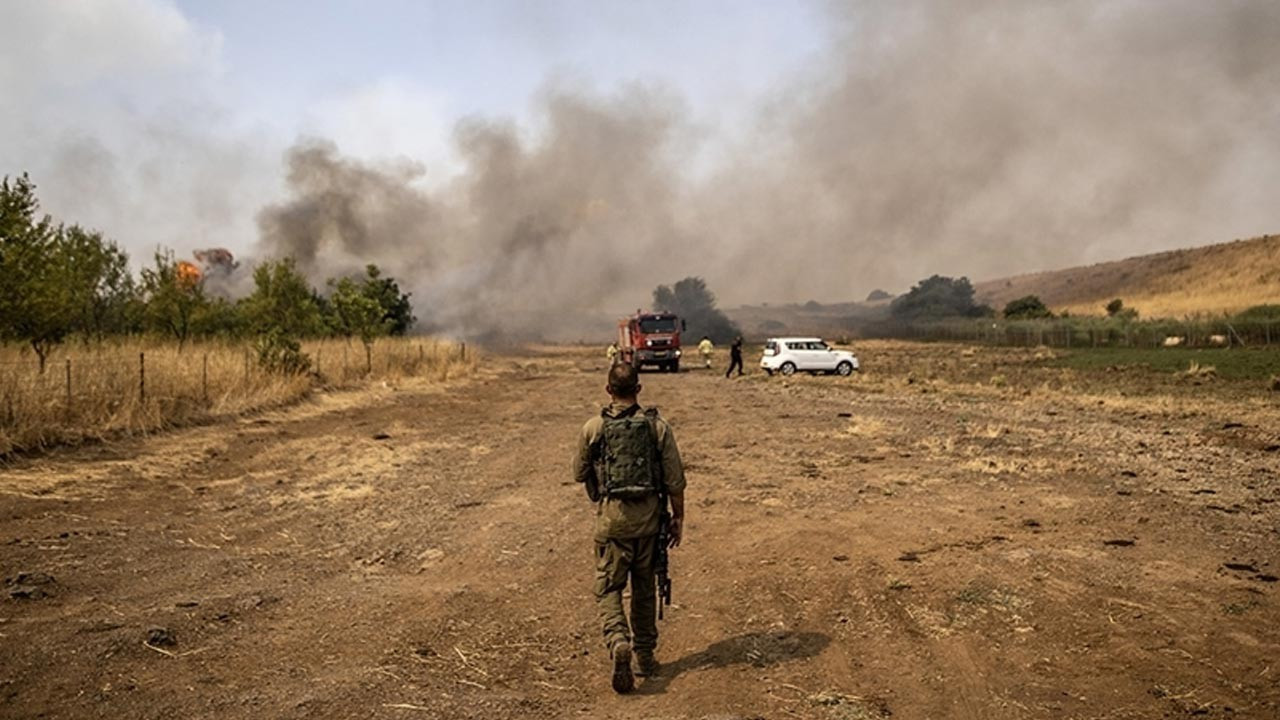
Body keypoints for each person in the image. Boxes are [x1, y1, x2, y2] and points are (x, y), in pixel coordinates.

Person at [573, 363, 685, 693]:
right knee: (645, 589)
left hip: (612, 524)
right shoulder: (657, 428)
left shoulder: (593, 427)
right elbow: (676, 480)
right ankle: (645, 657)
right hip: (650, 525)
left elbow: (579, 472)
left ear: (609, 390)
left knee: (608, 588)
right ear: (638, 389)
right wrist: (678, 519)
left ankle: (618, 639)